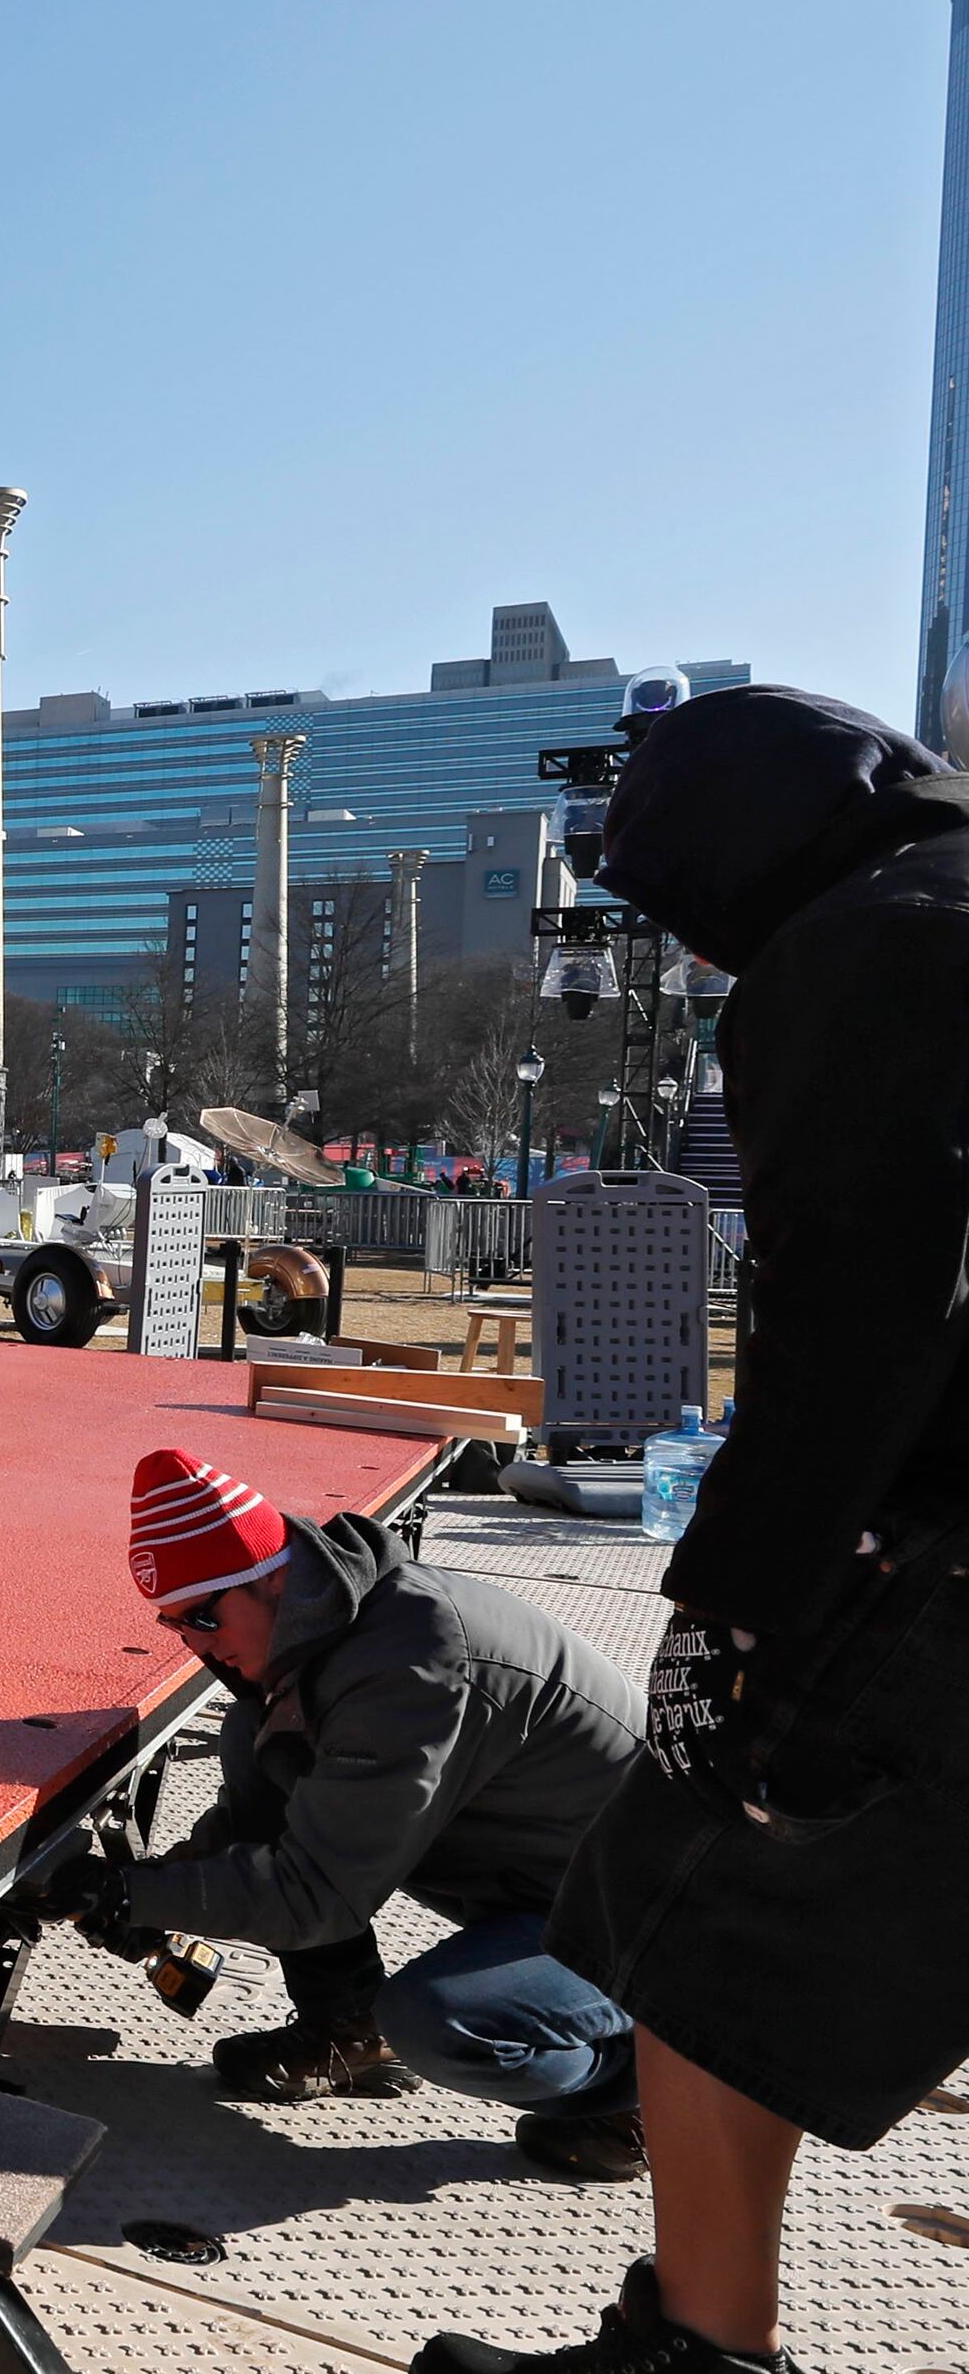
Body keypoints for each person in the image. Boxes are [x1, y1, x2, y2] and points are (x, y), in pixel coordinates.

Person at [416, 687, 969, 2374]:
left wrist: (727, 1612)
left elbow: (861, 1308)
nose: (703, 958)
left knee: (695, 1905)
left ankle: (698, 2351)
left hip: (933, 1558)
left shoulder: (867, 951)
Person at [47, 1449, 649, 2176]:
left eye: (205, 1616)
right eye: (175, 1624)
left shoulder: (412, 1664)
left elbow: (314, 1892)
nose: (194, 1643)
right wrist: (150, 1887)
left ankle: (659, 2084)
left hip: (651, 1913)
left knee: (440, 2020)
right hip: (539, 1872)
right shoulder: (325, 1630)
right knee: (256, 1740)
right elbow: (260, 1830)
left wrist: (137, 1896)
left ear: (272, 1578)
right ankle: (349, 2027)